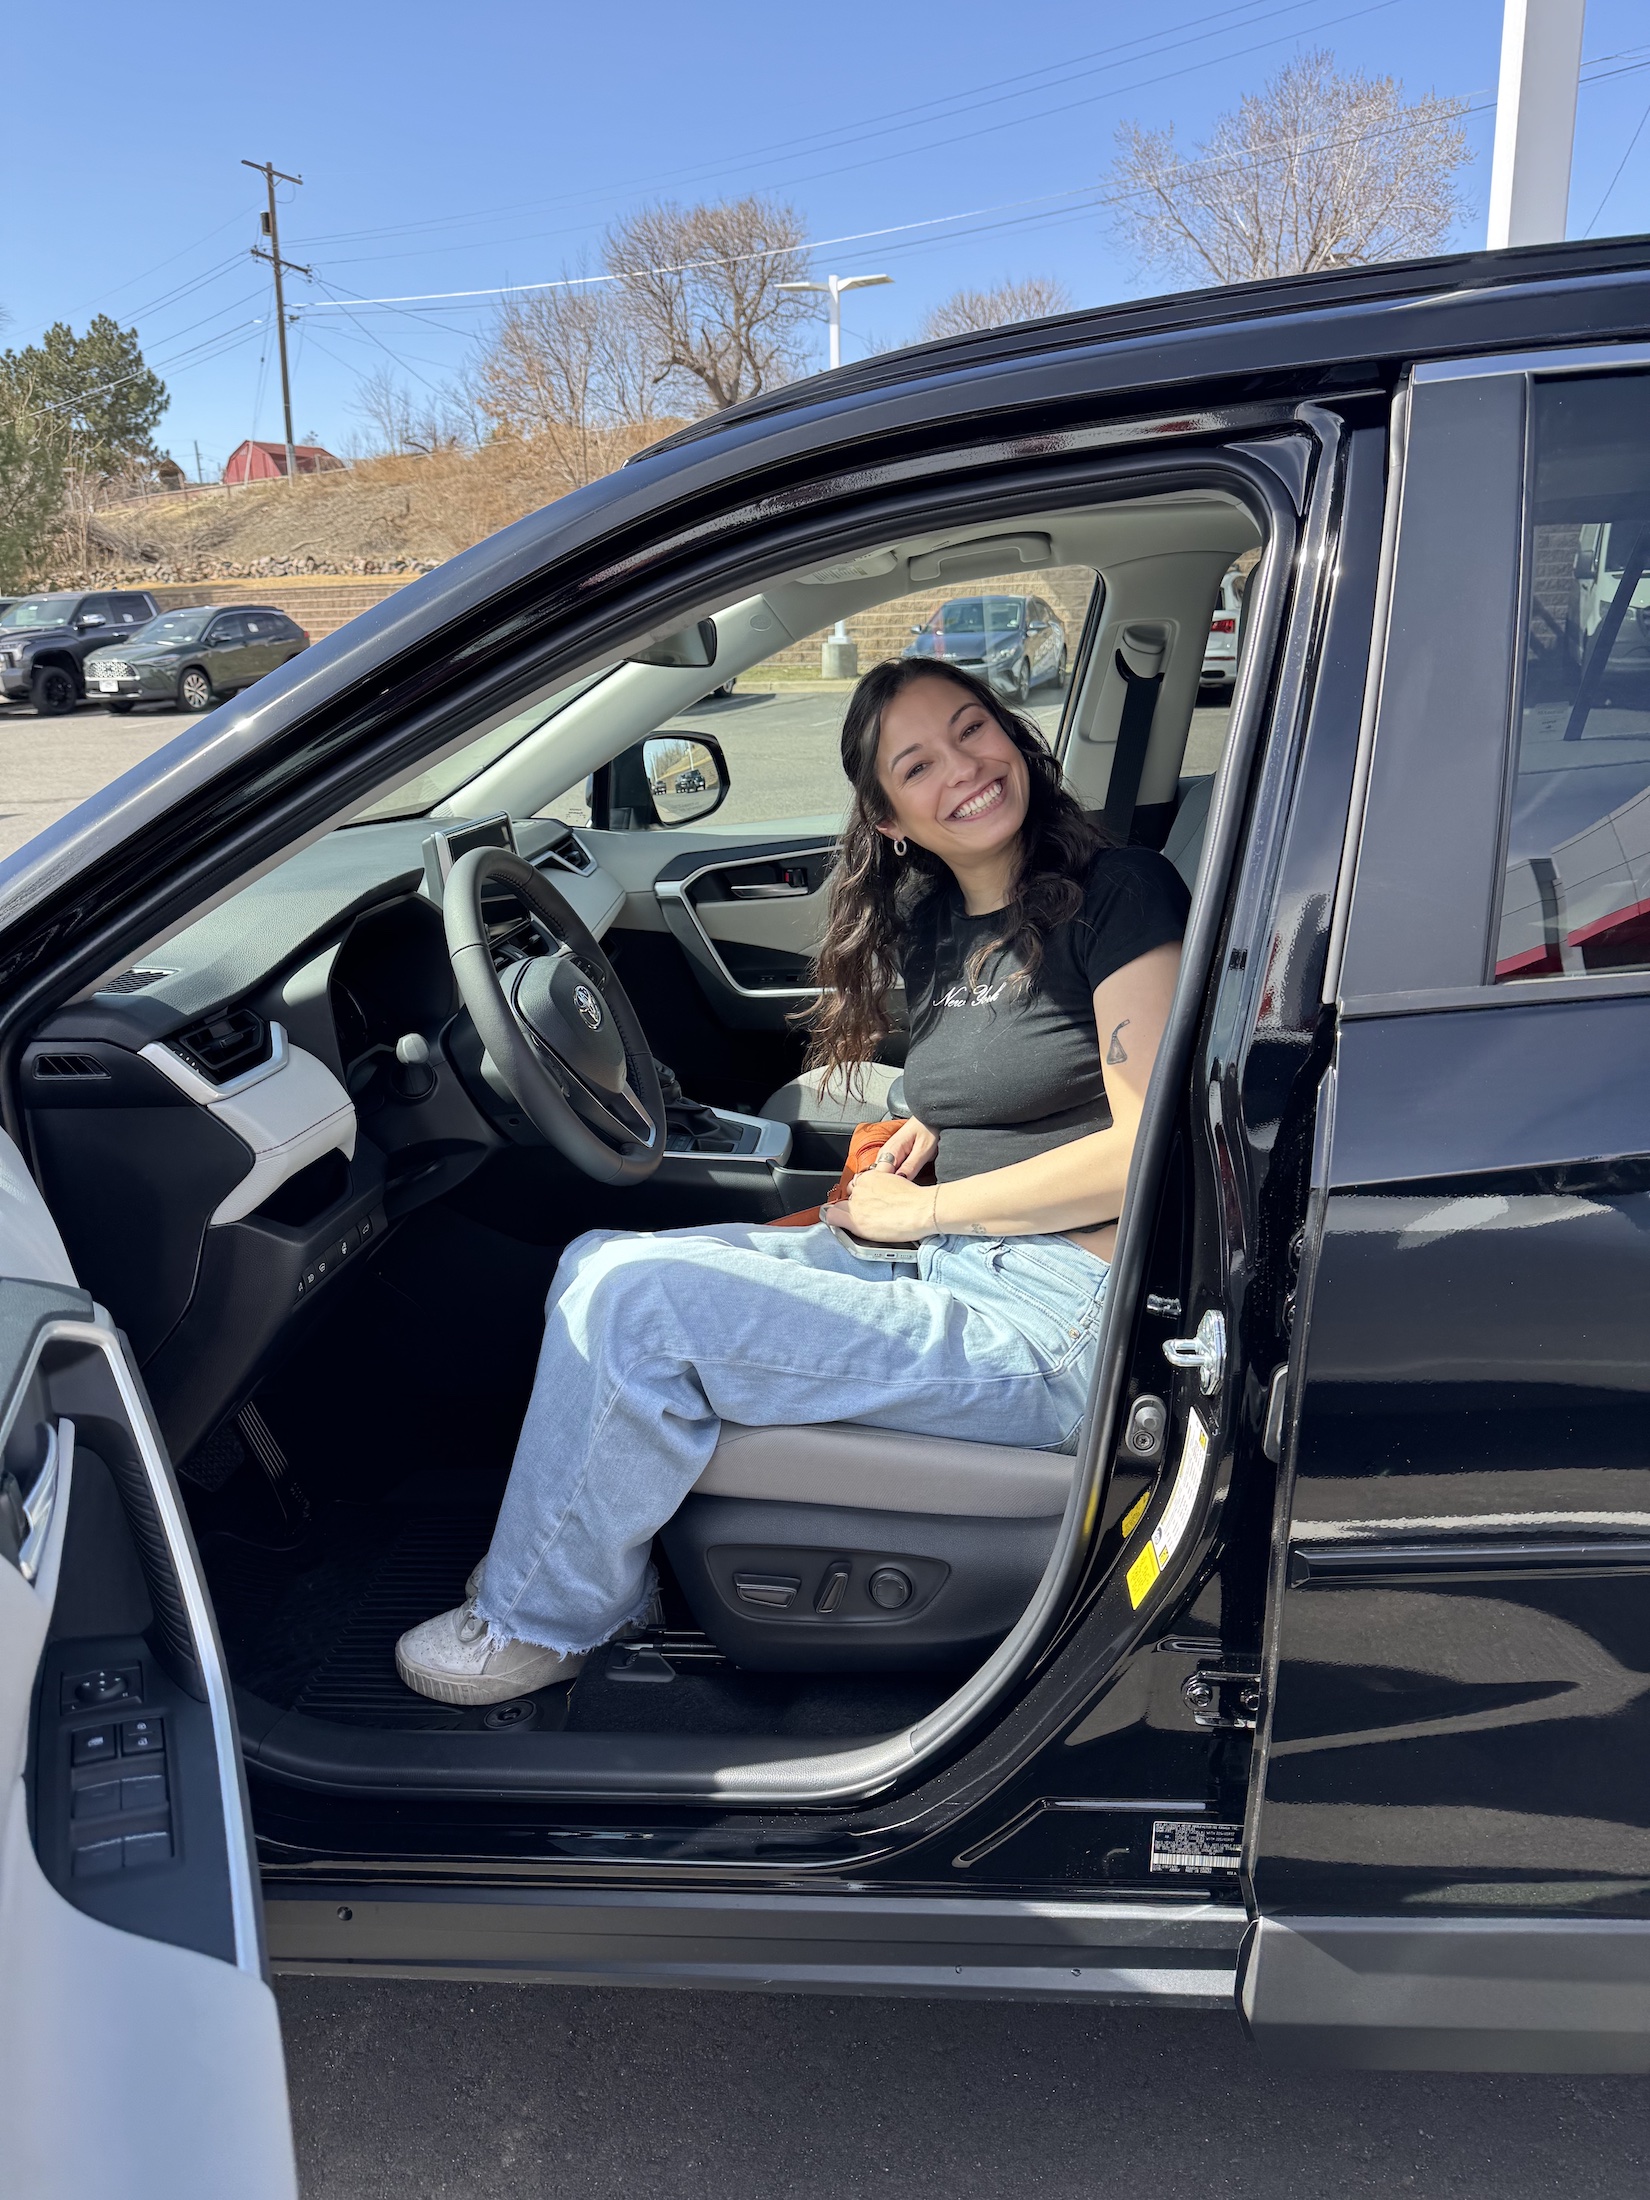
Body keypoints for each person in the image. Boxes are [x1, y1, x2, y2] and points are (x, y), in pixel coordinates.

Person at [396, 659, 1190, 1704]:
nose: (964, 768)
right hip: (946, 1259)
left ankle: (538, 1621)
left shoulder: (1122, 892)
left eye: (972, 731)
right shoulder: (939, 921)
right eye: (919, 763)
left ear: (1013, 734)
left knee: (635, 1309)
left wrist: (931, 1206)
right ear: (889, 814)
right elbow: (1014, 1077)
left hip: (1057, 1320)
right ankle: (603, 1579)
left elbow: (1148, 1148)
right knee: (598, 1262)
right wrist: (926, 1126)